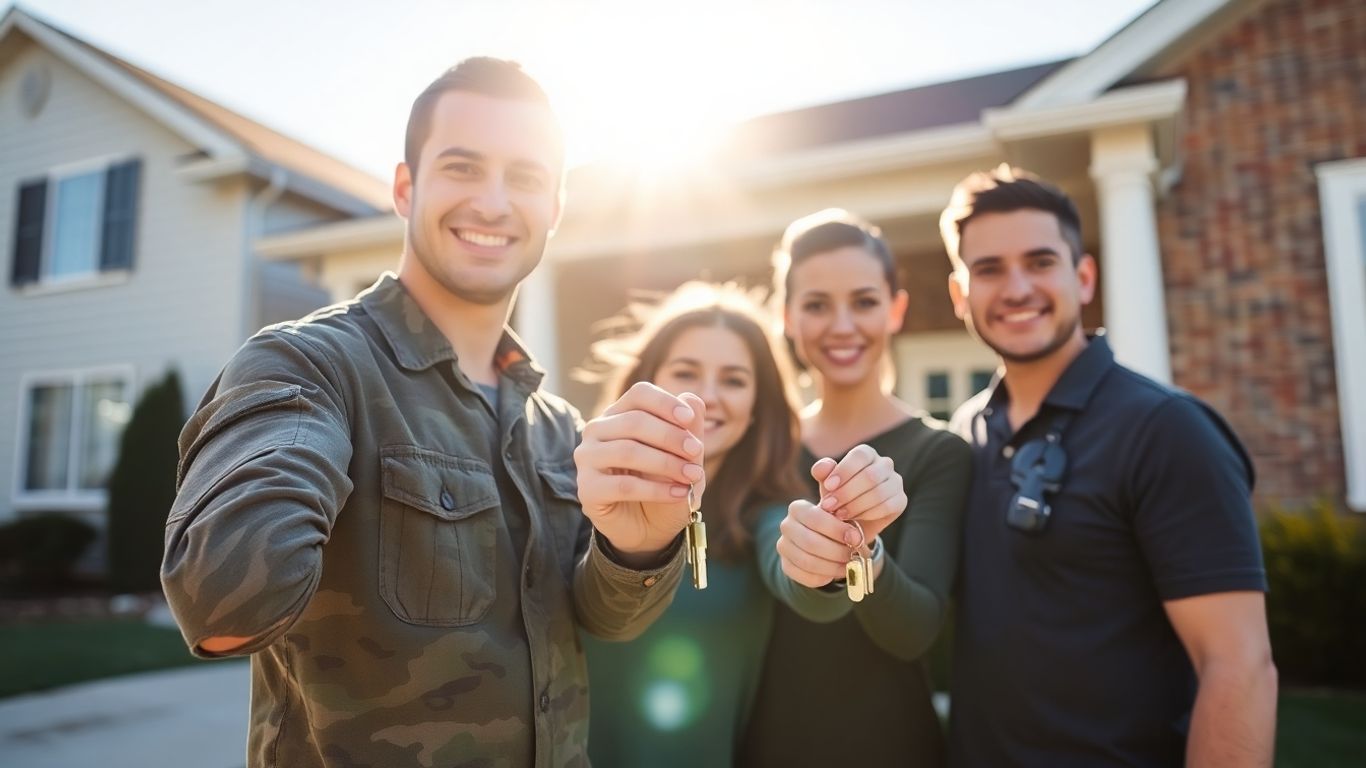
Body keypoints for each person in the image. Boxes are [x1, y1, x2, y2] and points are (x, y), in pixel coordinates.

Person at [160, 57, 705, 768]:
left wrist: (639, 544)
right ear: (404, 187)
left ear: (556, 211)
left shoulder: (559, 426)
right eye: (462, 167)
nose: (494, 201)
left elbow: (603, 615)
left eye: (527, 178)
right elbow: (224, 608)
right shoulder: (309, 368)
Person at [939, 166, 1277, 767]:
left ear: (1084, 276)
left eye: (1040, 262)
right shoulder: (964, 431)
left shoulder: (1167, 430)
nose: (1016, 288)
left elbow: (1239, 664)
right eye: (988, 269)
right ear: (960, 295)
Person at [580, 281, 911, 766]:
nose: (708, 396)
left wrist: (835, 551)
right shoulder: (583, 489)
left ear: (759, 406)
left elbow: (804, 582)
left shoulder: (767, 509)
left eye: (734, 380)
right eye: (686, 372)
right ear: (645, 381)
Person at [738, 210, 973, 767]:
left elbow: (916, 628)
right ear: (788, 318)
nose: (842, 325)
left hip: (894, 745)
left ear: (895, 310)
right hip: (772, 744)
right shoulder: (763, 445)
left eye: (864, 302)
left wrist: (863, 549)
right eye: (817, 305)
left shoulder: (940, 454)